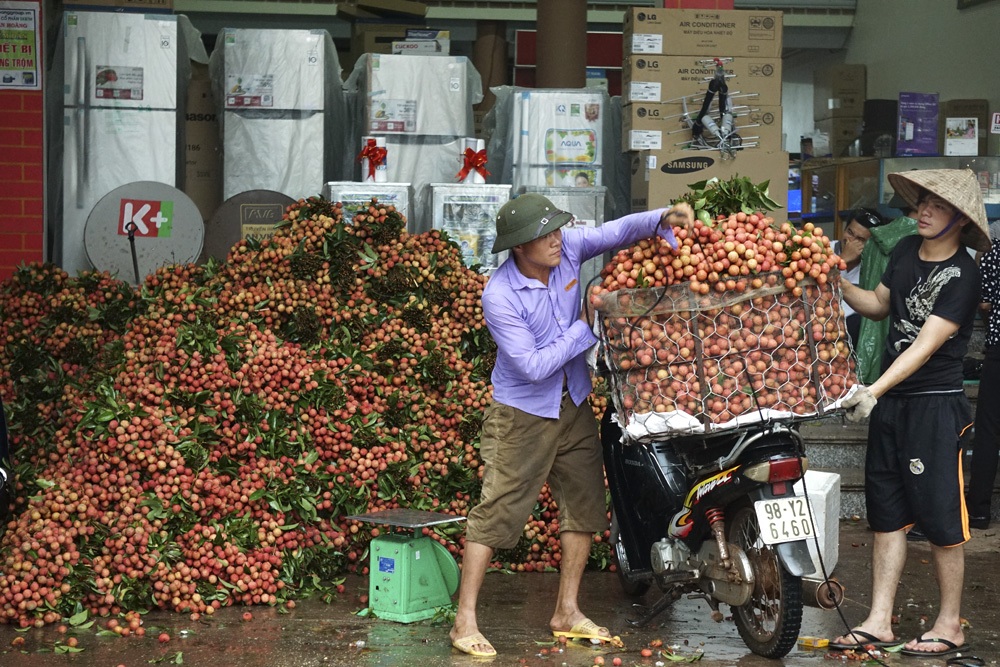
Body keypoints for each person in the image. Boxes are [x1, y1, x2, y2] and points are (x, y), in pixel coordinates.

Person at [449, 193, 693, 657]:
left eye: (559, 229)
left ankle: (567, 610)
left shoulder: (569, 251)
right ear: (520, 247)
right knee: (496, 511)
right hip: (521, 414)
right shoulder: (499, 296)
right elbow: (534, 366)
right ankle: (464, 621)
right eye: (545, 235)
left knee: (584, 504)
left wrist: (661, 216)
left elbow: (614, 232)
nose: (558, 240)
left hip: (574, 402)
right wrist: (585, 326)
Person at [833, 169, 991, 657]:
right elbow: (878, 306)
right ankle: (879, 620)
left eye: (937, 206)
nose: (923, 211)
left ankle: (950, 624)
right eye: (922, 203)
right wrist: (834, 279)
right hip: (891, 405)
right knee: (885, 517)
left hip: (933, 408)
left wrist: (873, 389)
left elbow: (924, 346)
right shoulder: (902, 252)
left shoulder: (964, 275)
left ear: (959, 220)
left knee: (942, 521)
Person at [853, 195, 919, 385]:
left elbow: (866, 286)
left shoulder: (874, 239)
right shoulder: (923, 241)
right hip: (905, 342)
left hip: (869, 331)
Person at [964, 219, 1000, 529]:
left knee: (988, 431)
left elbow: (984, 302)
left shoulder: (993, 247)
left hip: (999, 349)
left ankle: (978, 512)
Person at [833, 208, 885, 346]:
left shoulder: (872, 268)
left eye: (860, 239)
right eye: (850, 232)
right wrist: (842, 260)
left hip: (851, 335)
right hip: (820, 323)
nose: (851, 241)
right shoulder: (824, 249)